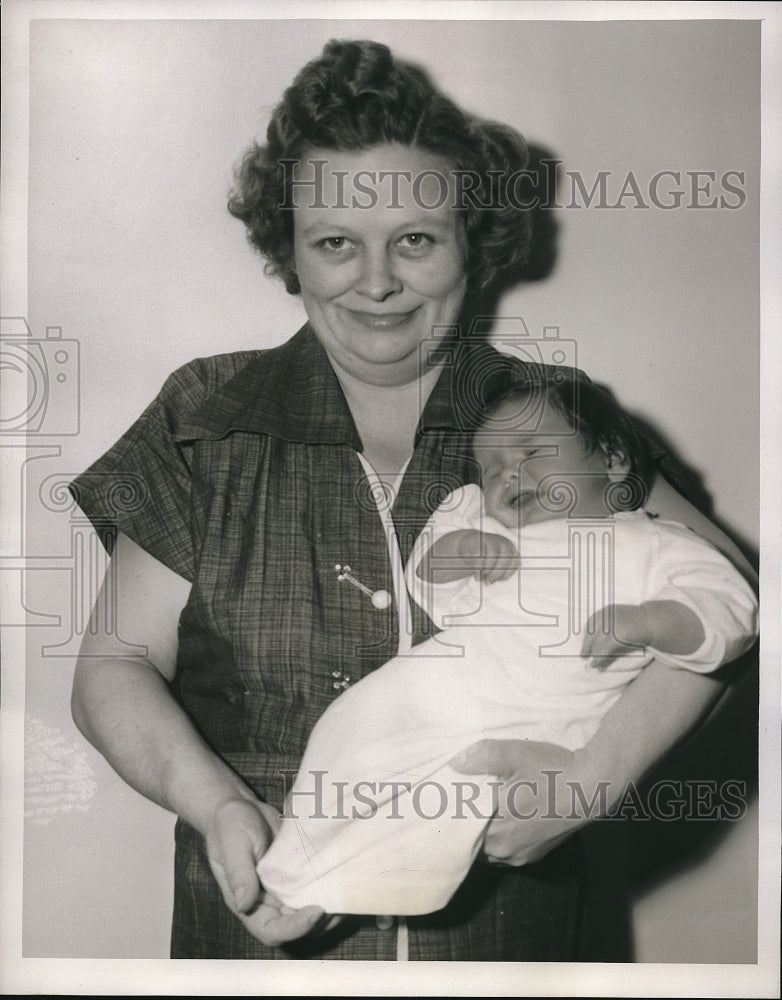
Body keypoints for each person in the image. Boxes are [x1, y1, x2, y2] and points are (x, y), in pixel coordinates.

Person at [69, 39, 757, 961]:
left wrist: (595, 779)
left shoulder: (556, 423)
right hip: (256, 937)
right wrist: (217, 802)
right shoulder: (208, 416)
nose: (379, 280)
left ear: (473, 241)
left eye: (417, 240)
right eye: (337, 243)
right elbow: (112, 670)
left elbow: (733, 599)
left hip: (507, 944)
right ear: (293, 252)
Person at [256, 378, 759, 916]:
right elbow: (429, 583)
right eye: (491, 468)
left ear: (612, 461)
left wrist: (654, 620)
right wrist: (460, 551)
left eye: (532, 453)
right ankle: (298, 863)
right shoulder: (485, 524)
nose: (508, 474)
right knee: (349, 728)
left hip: (542, 723)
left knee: (452, 803)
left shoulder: (657, 546)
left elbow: (731, 609)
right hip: (444, 688)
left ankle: (336, 891)